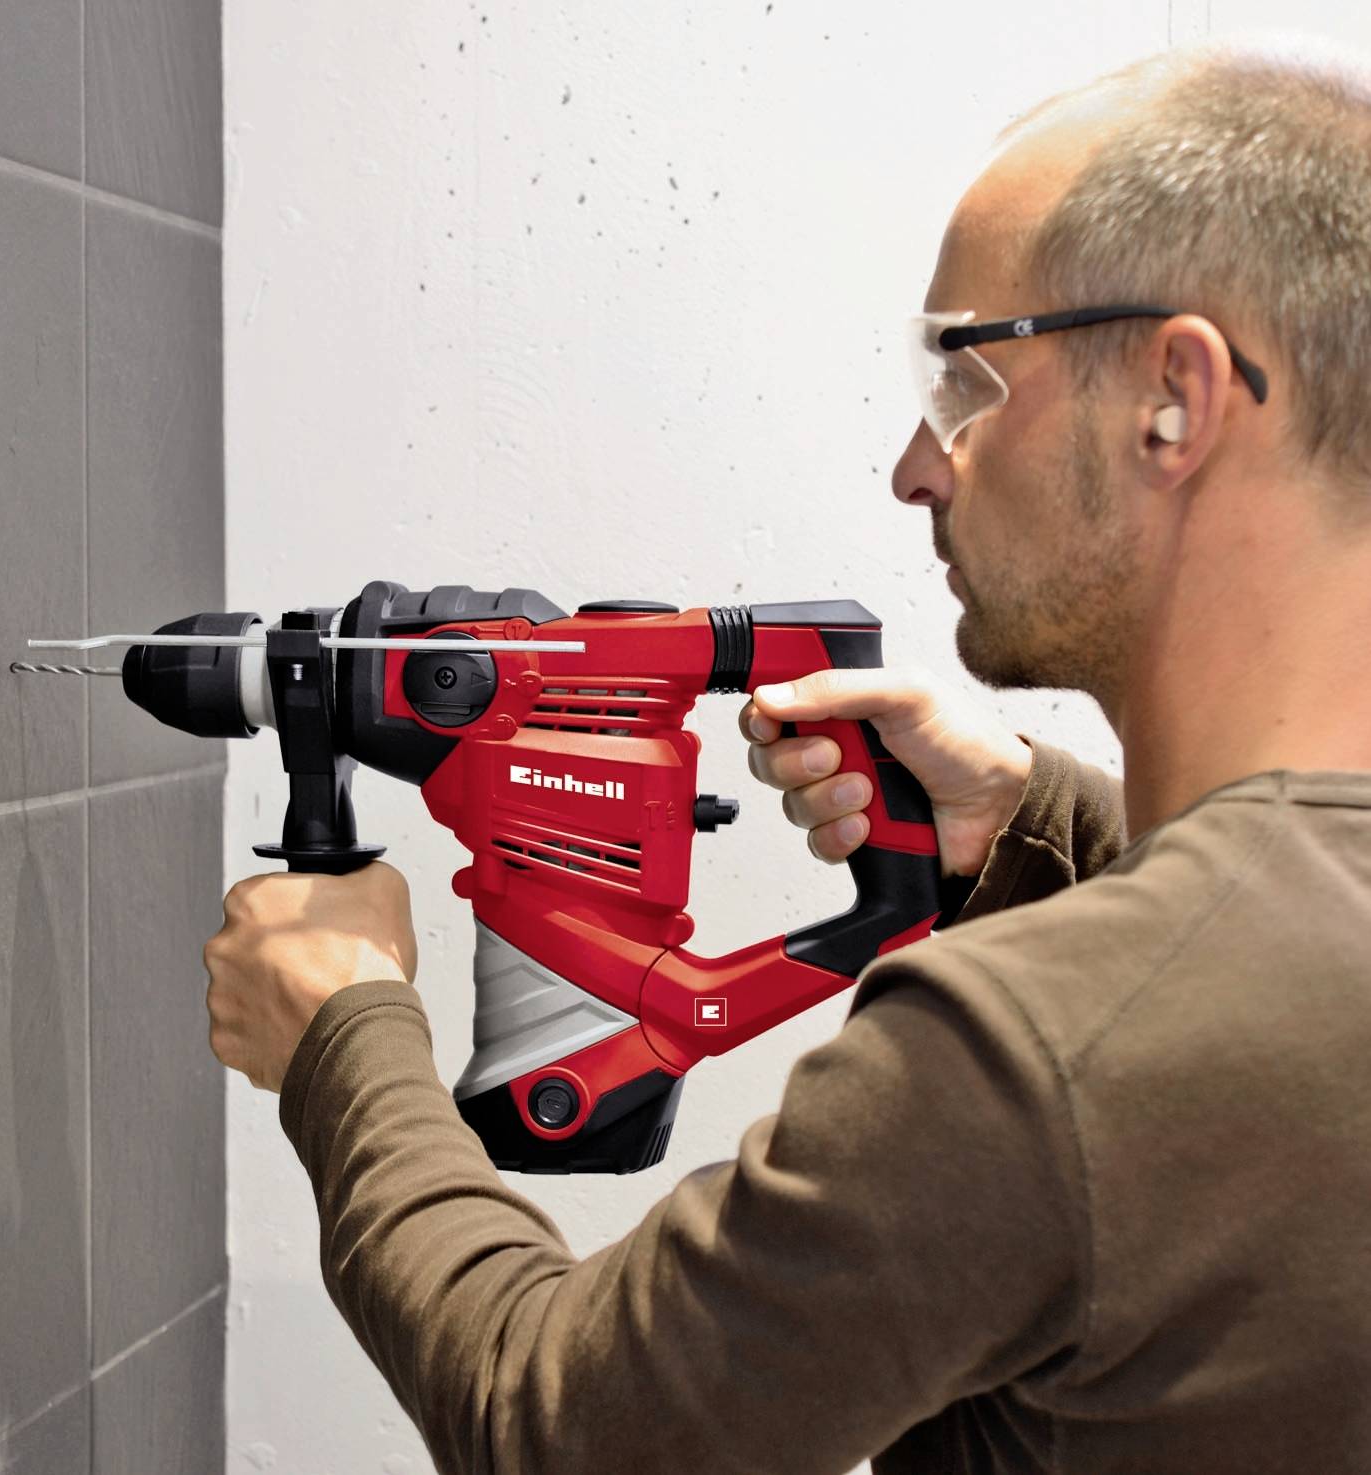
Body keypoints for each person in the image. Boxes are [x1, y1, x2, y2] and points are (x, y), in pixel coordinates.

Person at [202, 36, 1371, 1473]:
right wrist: (1029, 822)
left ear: (1172, 403)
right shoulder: (1222, 980)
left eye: (965, 376)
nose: (917, 465)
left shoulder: (1029, 1055)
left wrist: (341, 1029)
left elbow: (554, 1430)